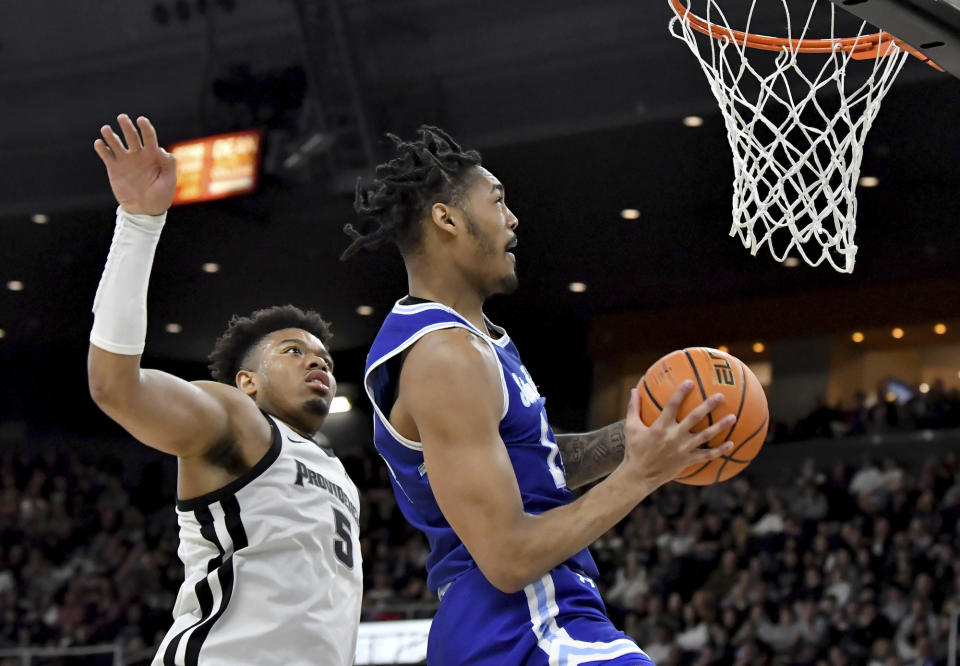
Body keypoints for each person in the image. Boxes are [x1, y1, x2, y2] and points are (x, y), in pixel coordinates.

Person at [344, 127, 734, 664]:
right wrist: (641, 475)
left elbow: (536, 466)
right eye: (498, 201)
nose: (513, 218)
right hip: (520, 624)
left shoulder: (475, 343)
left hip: (522, 622)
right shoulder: (446, 356)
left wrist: (639, 437)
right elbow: (507, 555)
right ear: (447, 219)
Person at [88, 114, 361, 665]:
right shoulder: (237, 420)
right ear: (247, 382)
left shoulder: (340, 474)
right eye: (293, 351)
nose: (318, 361)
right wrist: (138, 224)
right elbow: (114, 387)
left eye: (325, 358)